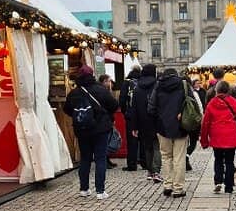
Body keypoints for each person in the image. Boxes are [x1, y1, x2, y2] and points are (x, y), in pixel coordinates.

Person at [63, 65, 119, 200]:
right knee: (100, 158)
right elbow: (114, 105)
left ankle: (84, 189)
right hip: (100, 130)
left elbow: (67, 109)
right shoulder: (101, 89)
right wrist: (103, 115)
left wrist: (81, 117)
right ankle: (100, 191)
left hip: (82, 130)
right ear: (92, 75)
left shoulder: (74, 92)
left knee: (85, 158)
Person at [149, 66, 196, 198]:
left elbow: (151, 108)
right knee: (179, 158)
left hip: (162, 127)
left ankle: (168, 186)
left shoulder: (158, 85)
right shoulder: (184, 85)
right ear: (176, 75)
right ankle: (178, 188)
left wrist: (160, 118)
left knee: (166, 157)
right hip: (181, 126)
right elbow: (191, 104)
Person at [200, 80, 236, 194]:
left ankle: (218, 181)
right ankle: (229, 186)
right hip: (231, 135)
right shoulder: (235, 102)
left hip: (216, 135)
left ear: (216, 90)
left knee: (218, 159)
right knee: (229, 161)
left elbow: (205, 123)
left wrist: (204, 140)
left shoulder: (212, 103)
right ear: (229, 90)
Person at [131, 63, 162, 182]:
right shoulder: (158, 85)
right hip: (156, 120)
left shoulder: (137, 88)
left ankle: (150, 171)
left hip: (143, 122)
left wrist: (134, 126)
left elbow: (134, 109)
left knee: (147, 148)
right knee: (157, 147)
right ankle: (156, 172)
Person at [119, 65, 142, 170]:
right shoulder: (143, 81)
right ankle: (145, 162)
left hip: (131, 115)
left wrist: (125, 112)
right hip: (143, 114)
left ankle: (132, 164)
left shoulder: (127, 82)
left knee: (132, 140)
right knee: (143, 139)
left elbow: (122, 99)